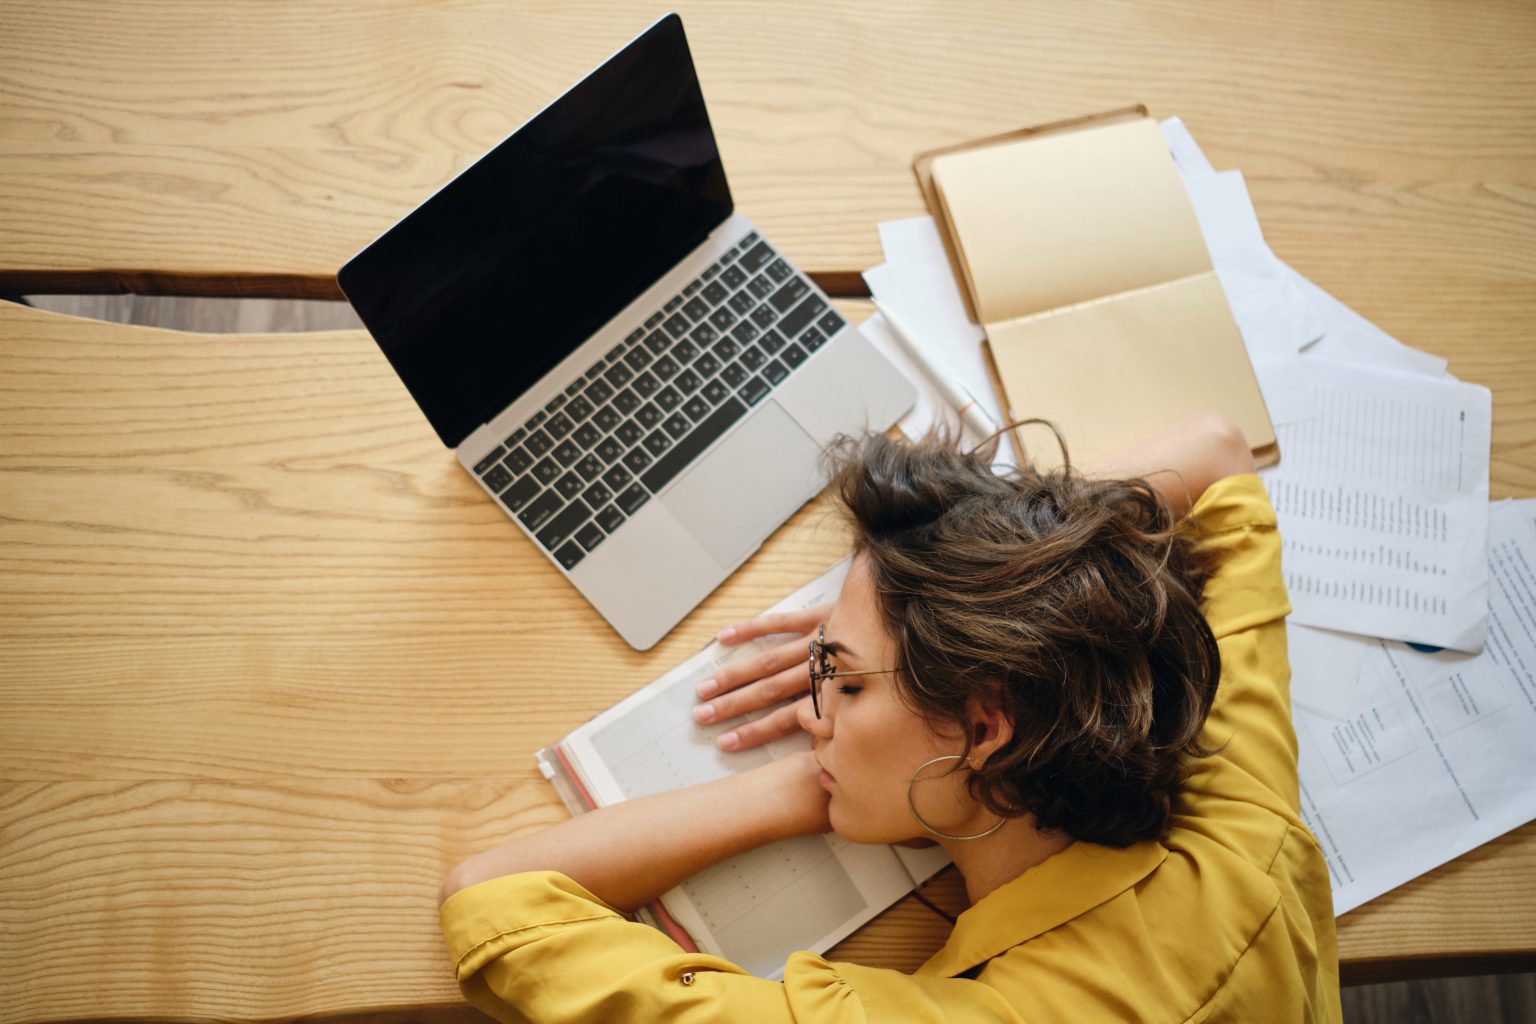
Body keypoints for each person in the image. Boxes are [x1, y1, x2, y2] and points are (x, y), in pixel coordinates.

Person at [438, 413, 1343, 1023]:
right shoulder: (1238, 837)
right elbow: (1220, 455)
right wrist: (1009, 572)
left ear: (985, 731)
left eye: (846, 681)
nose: (817, 703)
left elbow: (496, 901)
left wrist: (812, 781)